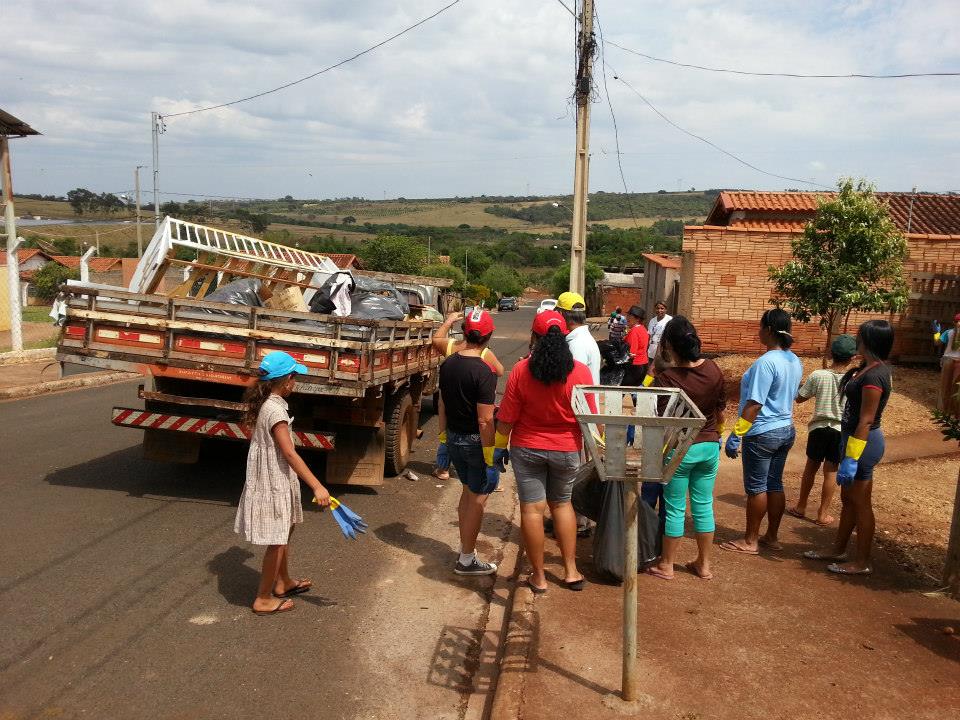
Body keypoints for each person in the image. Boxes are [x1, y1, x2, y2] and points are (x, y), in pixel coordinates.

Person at [495, 310, 596, 593]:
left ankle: (538, 577)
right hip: (566, 449)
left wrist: (496, 450)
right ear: (564, 336)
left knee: (532, 510)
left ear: (533, 337)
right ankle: (571, 571)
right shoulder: (580, 371)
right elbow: (590, 417)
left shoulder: (520, 371)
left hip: (527, 448)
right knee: (562, 505)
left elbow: (506, 420)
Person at [234, 351, 332, 615]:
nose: (295, 383)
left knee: (284, 530)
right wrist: (317, 486)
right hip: (272, 481)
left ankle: (283, 582)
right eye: (294, 377)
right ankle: (263, 598)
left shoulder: (268, 402)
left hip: (274, 476)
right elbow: (289, 452)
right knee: (277, 541)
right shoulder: (275, 410)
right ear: (287, 380)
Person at [804, 321, 894, 576]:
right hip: (851, 441)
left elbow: (866, 418)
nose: (857, 341)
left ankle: (863, 560)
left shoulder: (876, 375)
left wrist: (852, 457)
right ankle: (838, 549)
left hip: (863, 445)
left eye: (860, 337)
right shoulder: (868, 368)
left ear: (870, 341)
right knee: (848, 500)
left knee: (860, 503)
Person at [646, 317, 725, 580]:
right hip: (710, 446)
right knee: (704, 506)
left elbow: (659, 420)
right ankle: (704, 565)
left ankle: (667, 564)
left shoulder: (667, 379)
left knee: (676, 508)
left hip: (681, 449)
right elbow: (721, 411)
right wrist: (719, 434)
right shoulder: (714, 369)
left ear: (669, 346)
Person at [721, 309, 803, 555]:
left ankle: (750, 540)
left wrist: (736, 435)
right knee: (775, 483)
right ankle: (772, 536)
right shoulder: (793, 359)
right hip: (785, 429)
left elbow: (754, 404)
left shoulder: (766, 363)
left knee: (756, 488)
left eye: (760, 327)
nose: (758, 331)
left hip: (763, 432)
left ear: (768, 330)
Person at [437, 307, 501, 576]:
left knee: (466, 492)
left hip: (453, 439)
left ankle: (467, 550)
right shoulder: (484, 371)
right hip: (475, 444)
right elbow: (485, 420)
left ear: (464, 333)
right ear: (488, 337)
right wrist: (491, 457)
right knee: (478, 499)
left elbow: (441, 403)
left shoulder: (448, 363)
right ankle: (466, 560)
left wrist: (442, 439)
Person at [787, 334, 857, 526]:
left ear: (830, 354)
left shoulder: (818, 375)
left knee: (811, 466)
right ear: (853, 358)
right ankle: (822, 514)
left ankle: (801, 506)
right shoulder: (854, 380)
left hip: (818, 428)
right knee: (831, 471)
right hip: (839, 430)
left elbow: (800, 398)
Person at [432, 312, 504, 480]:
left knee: (448, 437)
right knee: (477, 482)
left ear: (464, 332)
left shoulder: (449, 348)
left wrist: (449, 321)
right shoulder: (484, 354)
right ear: (487, 336)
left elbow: (436, 339)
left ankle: (443, 469)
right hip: (474, 419)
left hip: (452, 413)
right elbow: (500, 371)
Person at [557, 291, 600, 383]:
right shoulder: (582, 338)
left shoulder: (577, 344)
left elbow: (574, 381)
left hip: (581, 397)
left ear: (560, 313)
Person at [933, 313, 960, 414]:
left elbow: (937, 343)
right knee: (956, 388)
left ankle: (942, 411)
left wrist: (936, 332)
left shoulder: (948, 332)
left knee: (945, 386)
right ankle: (955, 411)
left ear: (954, 322)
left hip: (948, 360)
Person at [623, 305, 650, 386]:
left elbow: (632, 352)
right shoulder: (643, 329)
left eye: (629, 316)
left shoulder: (634, 331)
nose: (627, 318)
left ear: (637, 319)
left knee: (621, 390)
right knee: (636, 391)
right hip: (644, 364)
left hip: (634, 366)